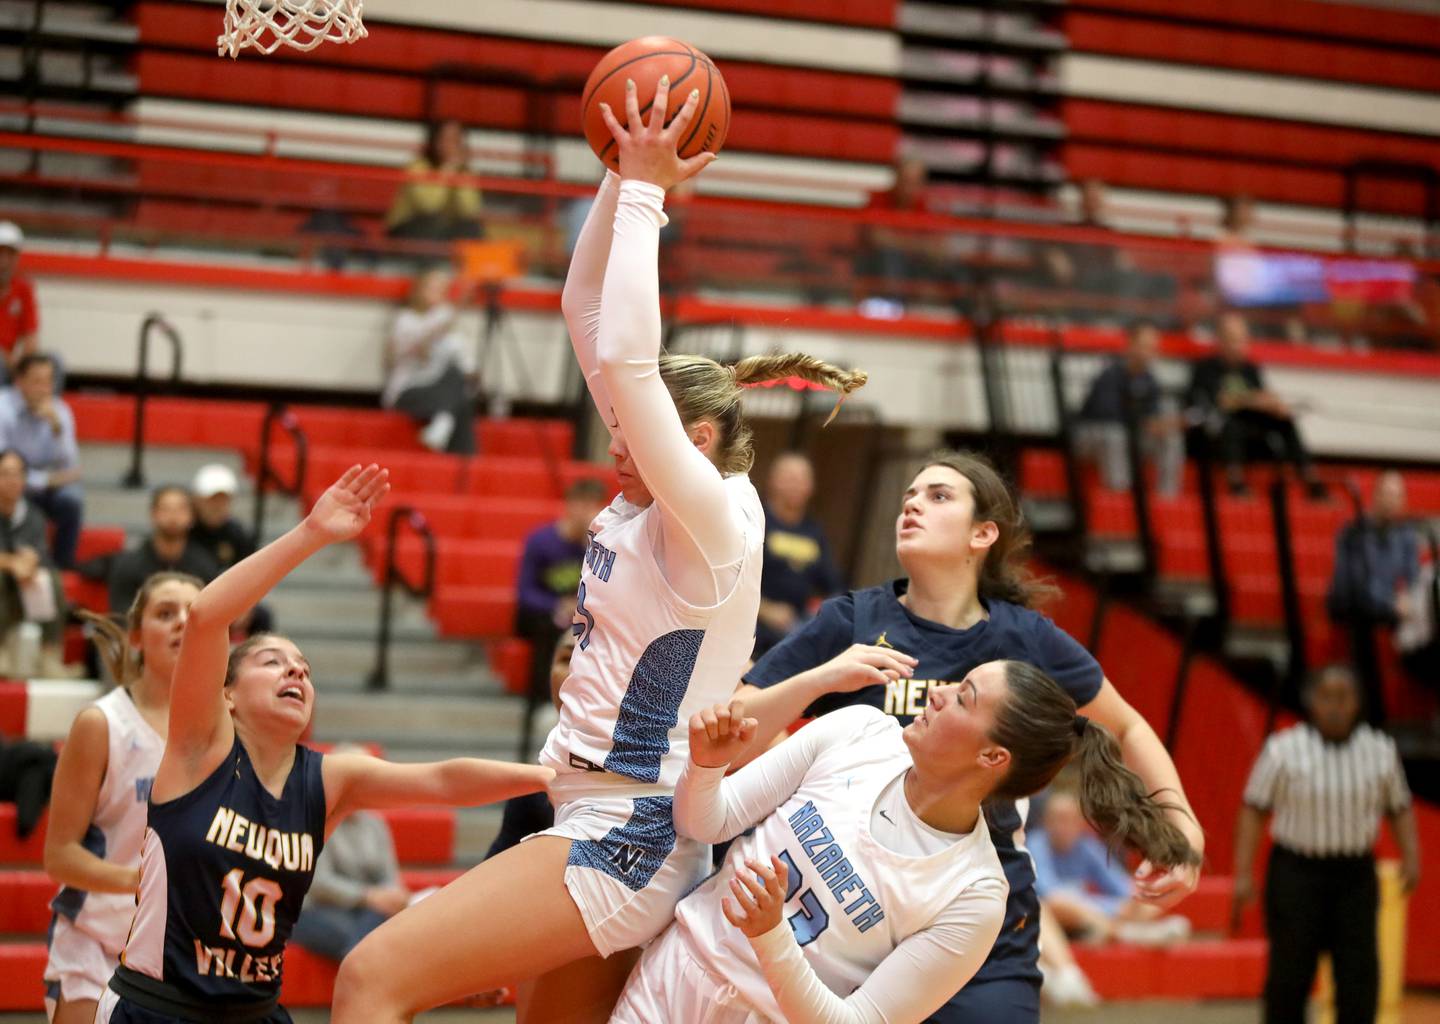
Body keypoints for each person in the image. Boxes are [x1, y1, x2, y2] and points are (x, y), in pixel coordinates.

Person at [330, 78, 866, 1024]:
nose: (610, 441)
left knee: (371, 981)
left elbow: (624, 353)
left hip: (627, 830)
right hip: (594, 806)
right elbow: (588, 303)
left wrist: (652, 194)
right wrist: (623, 174)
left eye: (631, 430)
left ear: (694, 440)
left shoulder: (713, 518)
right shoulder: (653, 491)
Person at [733, 449, 1203, 1021]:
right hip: (860, 906)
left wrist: (1181, 825)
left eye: (937, 496)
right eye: (909, 495)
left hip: (982, 912)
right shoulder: (853, 622)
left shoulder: (1025, 637)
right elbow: (741, 721)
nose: (912, 504)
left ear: (983, 534)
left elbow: (1125, 724)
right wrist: (818, 684)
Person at [94, 465, 552, 1024]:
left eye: (304, 669)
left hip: (255, 1013)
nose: (296, 672)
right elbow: (209, 616)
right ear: (228, 696)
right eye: (272, 662)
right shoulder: (200, 751)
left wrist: (548, 777)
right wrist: (312, 532)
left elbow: (444, 779)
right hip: (158, 1009)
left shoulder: (331, 779)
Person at [612, 664, 1197, 1023]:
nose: (937, 694)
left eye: (963, 697)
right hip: (674, 973)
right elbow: (702, 823)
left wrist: (770, 936)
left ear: (993, 759)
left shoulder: (975, 894)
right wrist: (708, 768)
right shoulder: (858, 729)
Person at [42, 573, 203, 1024]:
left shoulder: (226, 731)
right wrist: (141, 882)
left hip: (179, 949)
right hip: (94, 939)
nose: (182, 622)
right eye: (166, 613)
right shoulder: (102, 724)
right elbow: (59, 856)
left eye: (195, 612)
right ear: (136, 636)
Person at [1231, 664, 1421, 1024]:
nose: (1335, 706)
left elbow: (1399, 808)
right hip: (1296, 874)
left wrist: (1411, 857)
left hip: (1354, 878)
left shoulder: (1380, 751)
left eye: (1343, 697)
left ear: (1357, 703)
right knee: (1289, 977)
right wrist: (1243, 873)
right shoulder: (1282, 750)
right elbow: (1254, 808)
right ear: (1311, 702)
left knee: (1359, 978)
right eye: (1326, 697)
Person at [290, 745, 412, 965]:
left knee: (388, 922)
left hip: (364, 911)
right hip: (316, 910)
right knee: (358, 935)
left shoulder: (376, 824)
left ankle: (360, 968)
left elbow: (390, 876)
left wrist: (391, 895)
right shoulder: (314, 818)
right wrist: (369, 897)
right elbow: (318, 884)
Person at [514, 478, 608, 757]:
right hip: (541, 619)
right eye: (584, 506)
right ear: (570, 506)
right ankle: (545, 700)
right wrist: (556, 605)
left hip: (580, 619)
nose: (589, 513)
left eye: (595, 507)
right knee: (555, 630)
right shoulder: (541, 542)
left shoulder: (600, 547)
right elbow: (525, 593)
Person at [1029, 788, 1190, 946]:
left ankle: (1116, 931)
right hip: (1047, 919)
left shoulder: (1087, 846)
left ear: (1080, 824)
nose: (1062, 827)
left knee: (1147, 902)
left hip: (1089, 915)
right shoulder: (1035, 844)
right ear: (1045, 822)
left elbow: (1123, 887)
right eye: (1057, 819)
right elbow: (1050, 895)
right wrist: (1107, 908)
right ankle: (1129, 933)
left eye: (1069, 820)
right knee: (1058, 906)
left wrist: (1135, 903)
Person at [1186, 311, 1323, 497]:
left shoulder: (1250, 369)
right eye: (1233, 339)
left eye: (1242, 340)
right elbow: (1222, 401)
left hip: (1251, 433)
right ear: (1220, 340)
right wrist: (1252, 399)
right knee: (1232, 425)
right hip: (1217, 434)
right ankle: (1236, 485)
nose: (1238, 346)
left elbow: (1262, 396)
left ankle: (1311, 481)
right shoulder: (1206, 368)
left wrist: (1275, 406)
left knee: (1285, 421)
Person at [1327, 471, 1420, 724]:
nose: (1393, 501)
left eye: (1398, 496)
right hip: (1351, 604)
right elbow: (1355, 583)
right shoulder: (1354, 532)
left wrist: (1408, 600)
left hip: (1387, 609)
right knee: (1362, 611)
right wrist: (1393, 603)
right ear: (1375, 496)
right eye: (1388, 494)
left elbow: (1414, 579)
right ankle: (1371, 715)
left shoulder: (1407, 536)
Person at [1074, 321, 1184, 498]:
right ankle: (1120, 499)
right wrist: (1145, 423)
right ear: (1130, 345)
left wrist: (1162, 425)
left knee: (1171, 438)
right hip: (1090, 437)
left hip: (1131, 436)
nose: (1148, 353)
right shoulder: (1110, 374)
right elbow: (1106, 416)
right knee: (1114, 434)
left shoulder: (1150, 381)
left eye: (1152, 348)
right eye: (1144, 346)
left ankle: (1167, 499)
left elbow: (1152, 418)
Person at [756, 452, 844, 657]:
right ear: (772, 481)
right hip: (754, 625)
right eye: (790, 478)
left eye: (803, 479)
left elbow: (833, 583)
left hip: (795, 627)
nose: (797, 485)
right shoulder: (757, 520)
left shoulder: (813, 531)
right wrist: (765, 609)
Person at [382, 269, 479, 455]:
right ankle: (444, 421)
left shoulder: (448, 329)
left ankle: (464, 456)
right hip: (408, 392)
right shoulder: (405, 320)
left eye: (441, 290)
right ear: (418, 290)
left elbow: (466, 364)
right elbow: (421, 338)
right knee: (458, 399)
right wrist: (456, 309)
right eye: (431, 288)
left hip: (441, 394)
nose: (436, 294)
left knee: (460, 387)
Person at [0, 354, 82, 568]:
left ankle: (63, 569)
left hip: (44, 483)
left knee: (72, 500)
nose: (44, 389)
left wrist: (56, 428)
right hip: (10, 479)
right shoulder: (3, 407)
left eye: (49, 382)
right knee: (9, 483)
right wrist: (46, 480)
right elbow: (3, 464)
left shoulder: (60, 410)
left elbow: (71, 466)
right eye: (37, 381)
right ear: (19, 381)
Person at [0, 448, 69, 676]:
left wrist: (28, 563)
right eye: (5, 473)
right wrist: (10, 563)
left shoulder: (33, 514)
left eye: (18, 474)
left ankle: (50, 654)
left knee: (49, 578)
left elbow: (38, 552)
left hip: (22, 582)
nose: (12, 480)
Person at [107, 486, 220, 616]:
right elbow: (121, 615)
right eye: (166, 509)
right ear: (153, 514)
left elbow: (212, 614)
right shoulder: (127, 565)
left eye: (180, 509)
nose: (173, 516)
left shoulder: (205, 565)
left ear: (192, 516)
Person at [189, 464, 274, 636]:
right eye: (212, 499)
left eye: (223, 499)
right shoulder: (185, 532)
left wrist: (247, 606)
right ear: (197, 501)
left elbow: (254, 577)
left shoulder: (239, 535)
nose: (217, 505)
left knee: (262, 616)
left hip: (228, 601)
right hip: (191, 599)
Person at [385, 120, 484, 243]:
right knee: (434, 222)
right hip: (407, 227)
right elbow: (429, 206)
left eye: (457, 140)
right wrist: (449, 168)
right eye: (448, 139)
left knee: (471, 228)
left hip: (443, 228)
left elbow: (470, 210)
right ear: (435, 141)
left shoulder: (465, 171)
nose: (453, 145)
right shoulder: (417, 166)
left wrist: (461, 177)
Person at [0, 221, 38, 379]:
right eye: (0, 253)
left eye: (10, 254)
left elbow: (30, 336)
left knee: (54, 362)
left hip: (11, 364)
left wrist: (25, 365)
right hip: (4, 362)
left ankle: (40, 403)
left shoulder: (23, 289)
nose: (4, 261)